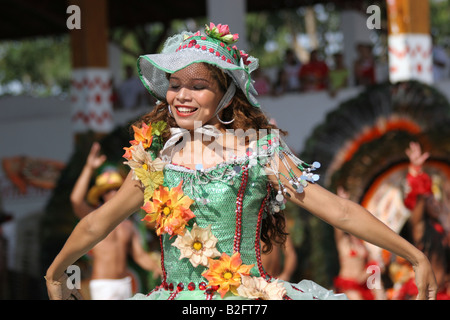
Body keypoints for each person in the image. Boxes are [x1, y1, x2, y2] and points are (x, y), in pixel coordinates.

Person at [45, 22, 437, 300]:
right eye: (175, 85)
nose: (182, 95)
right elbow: (100, 220)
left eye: (198, 86)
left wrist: (413, 254)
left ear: (227, 95)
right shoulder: (155, 160)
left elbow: (339, 211)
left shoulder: (260, 151)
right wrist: (56, 269)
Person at [68, 142, 162, 299]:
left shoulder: (128, 225)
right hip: (103, 286)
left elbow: (139, 256)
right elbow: (76, 200)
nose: (112, 193)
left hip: (124, 284)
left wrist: (157, 267)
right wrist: (89, 168)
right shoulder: (95, 218)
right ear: (101, 195)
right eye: (107, 190)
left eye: (116, 189)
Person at [401, 142, 449, 299]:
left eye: (436, 200)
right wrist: (416, 170)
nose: (436, 203)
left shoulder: (441, 227)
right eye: (431, 202)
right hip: (421, 294)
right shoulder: (420, 227)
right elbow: (419, 199)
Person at [333, 187, 385, 300]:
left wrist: (366, 275)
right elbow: (337, 224)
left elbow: (375, 265)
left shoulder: (363, 245)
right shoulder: (343, 243)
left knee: (379, 291)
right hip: (347, 285)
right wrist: (342, 203)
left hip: (361, 285)